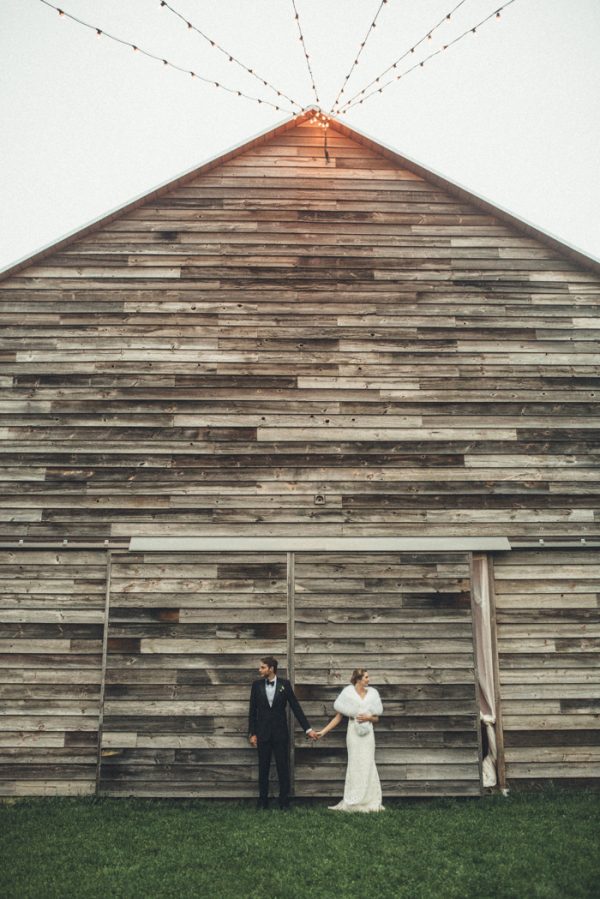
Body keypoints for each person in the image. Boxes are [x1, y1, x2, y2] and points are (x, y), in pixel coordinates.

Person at [248, 656, 317, 810]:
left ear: (271, 669)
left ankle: (284, 801)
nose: (260, 670)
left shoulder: (284, 685)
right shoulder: (256, 685)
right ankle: (262, 801)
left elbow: (296, 707)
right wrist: (252, 733)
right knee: (263, 768)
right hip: (262, 733)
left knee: (282, 768)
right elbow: (252, 711)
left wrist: (308, 729)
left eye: (262, 667)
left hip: (280, 734)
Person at [315, 668, 384, 813]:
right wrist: (323, 731)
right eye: (366, 677)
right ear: (358, 679)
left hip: (368, 734)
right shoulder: (348, 694)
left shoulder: (372, 694)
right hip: (353, 733)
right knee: (355, 764)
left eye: (368, 677)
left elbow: (377, 717)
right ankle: (354, 800)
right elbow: (338, 717)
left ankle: (370, 800)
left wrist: (369, 718)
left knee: (368, 763)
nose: (368, 679)